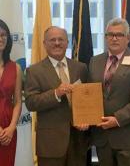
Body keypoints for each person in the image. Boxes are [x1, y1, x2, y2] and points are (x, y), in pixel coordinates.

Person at [88, 17, 130, 166]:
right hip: (102, 138)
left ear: (128, 38)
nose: (114, 38)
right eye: (110, 35)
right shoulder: (95, 61)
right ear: (105, 38)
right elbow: (90, 94)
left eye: (119, 35)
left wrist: (117, 119)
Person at [24, 26, 89, 166]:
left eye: (61, 39)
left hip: (78, 141)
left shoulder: (81, 68)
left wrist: (86, 119)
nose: (57, 43)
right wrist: (56, 93)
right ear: (44, 43)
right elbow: (31, 103)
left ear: (67, 43)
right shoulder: (33, 71)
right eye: (52, 40)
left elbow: (87, 98)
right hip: (50, 143)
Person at [0, 19, 22, 166]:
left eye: (3, 35)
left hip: (8, 130)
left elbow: (18, 101)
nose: (0, 39)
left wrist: (12, 127)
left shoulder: (16, 68)